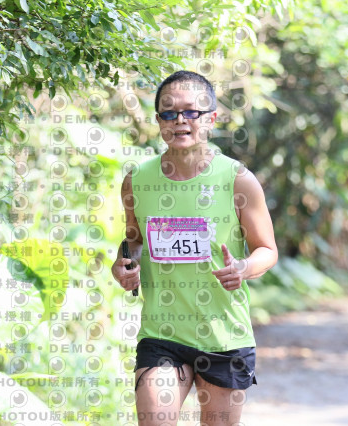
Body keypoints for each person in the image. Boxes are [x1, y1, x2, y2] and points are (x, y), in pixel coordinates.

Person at [111, 70, 278, 426]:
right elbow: (134, 241)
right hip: (162, 333)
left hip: (223, 335)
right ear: (159, 120)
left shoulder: (238, 179)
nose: (180, 120)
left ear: (211, 118)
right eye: (169, 113)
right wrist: (125, 264)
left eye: (191, 112)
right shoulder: (137, 180)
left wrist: (244, 269)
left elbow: (267, 249)